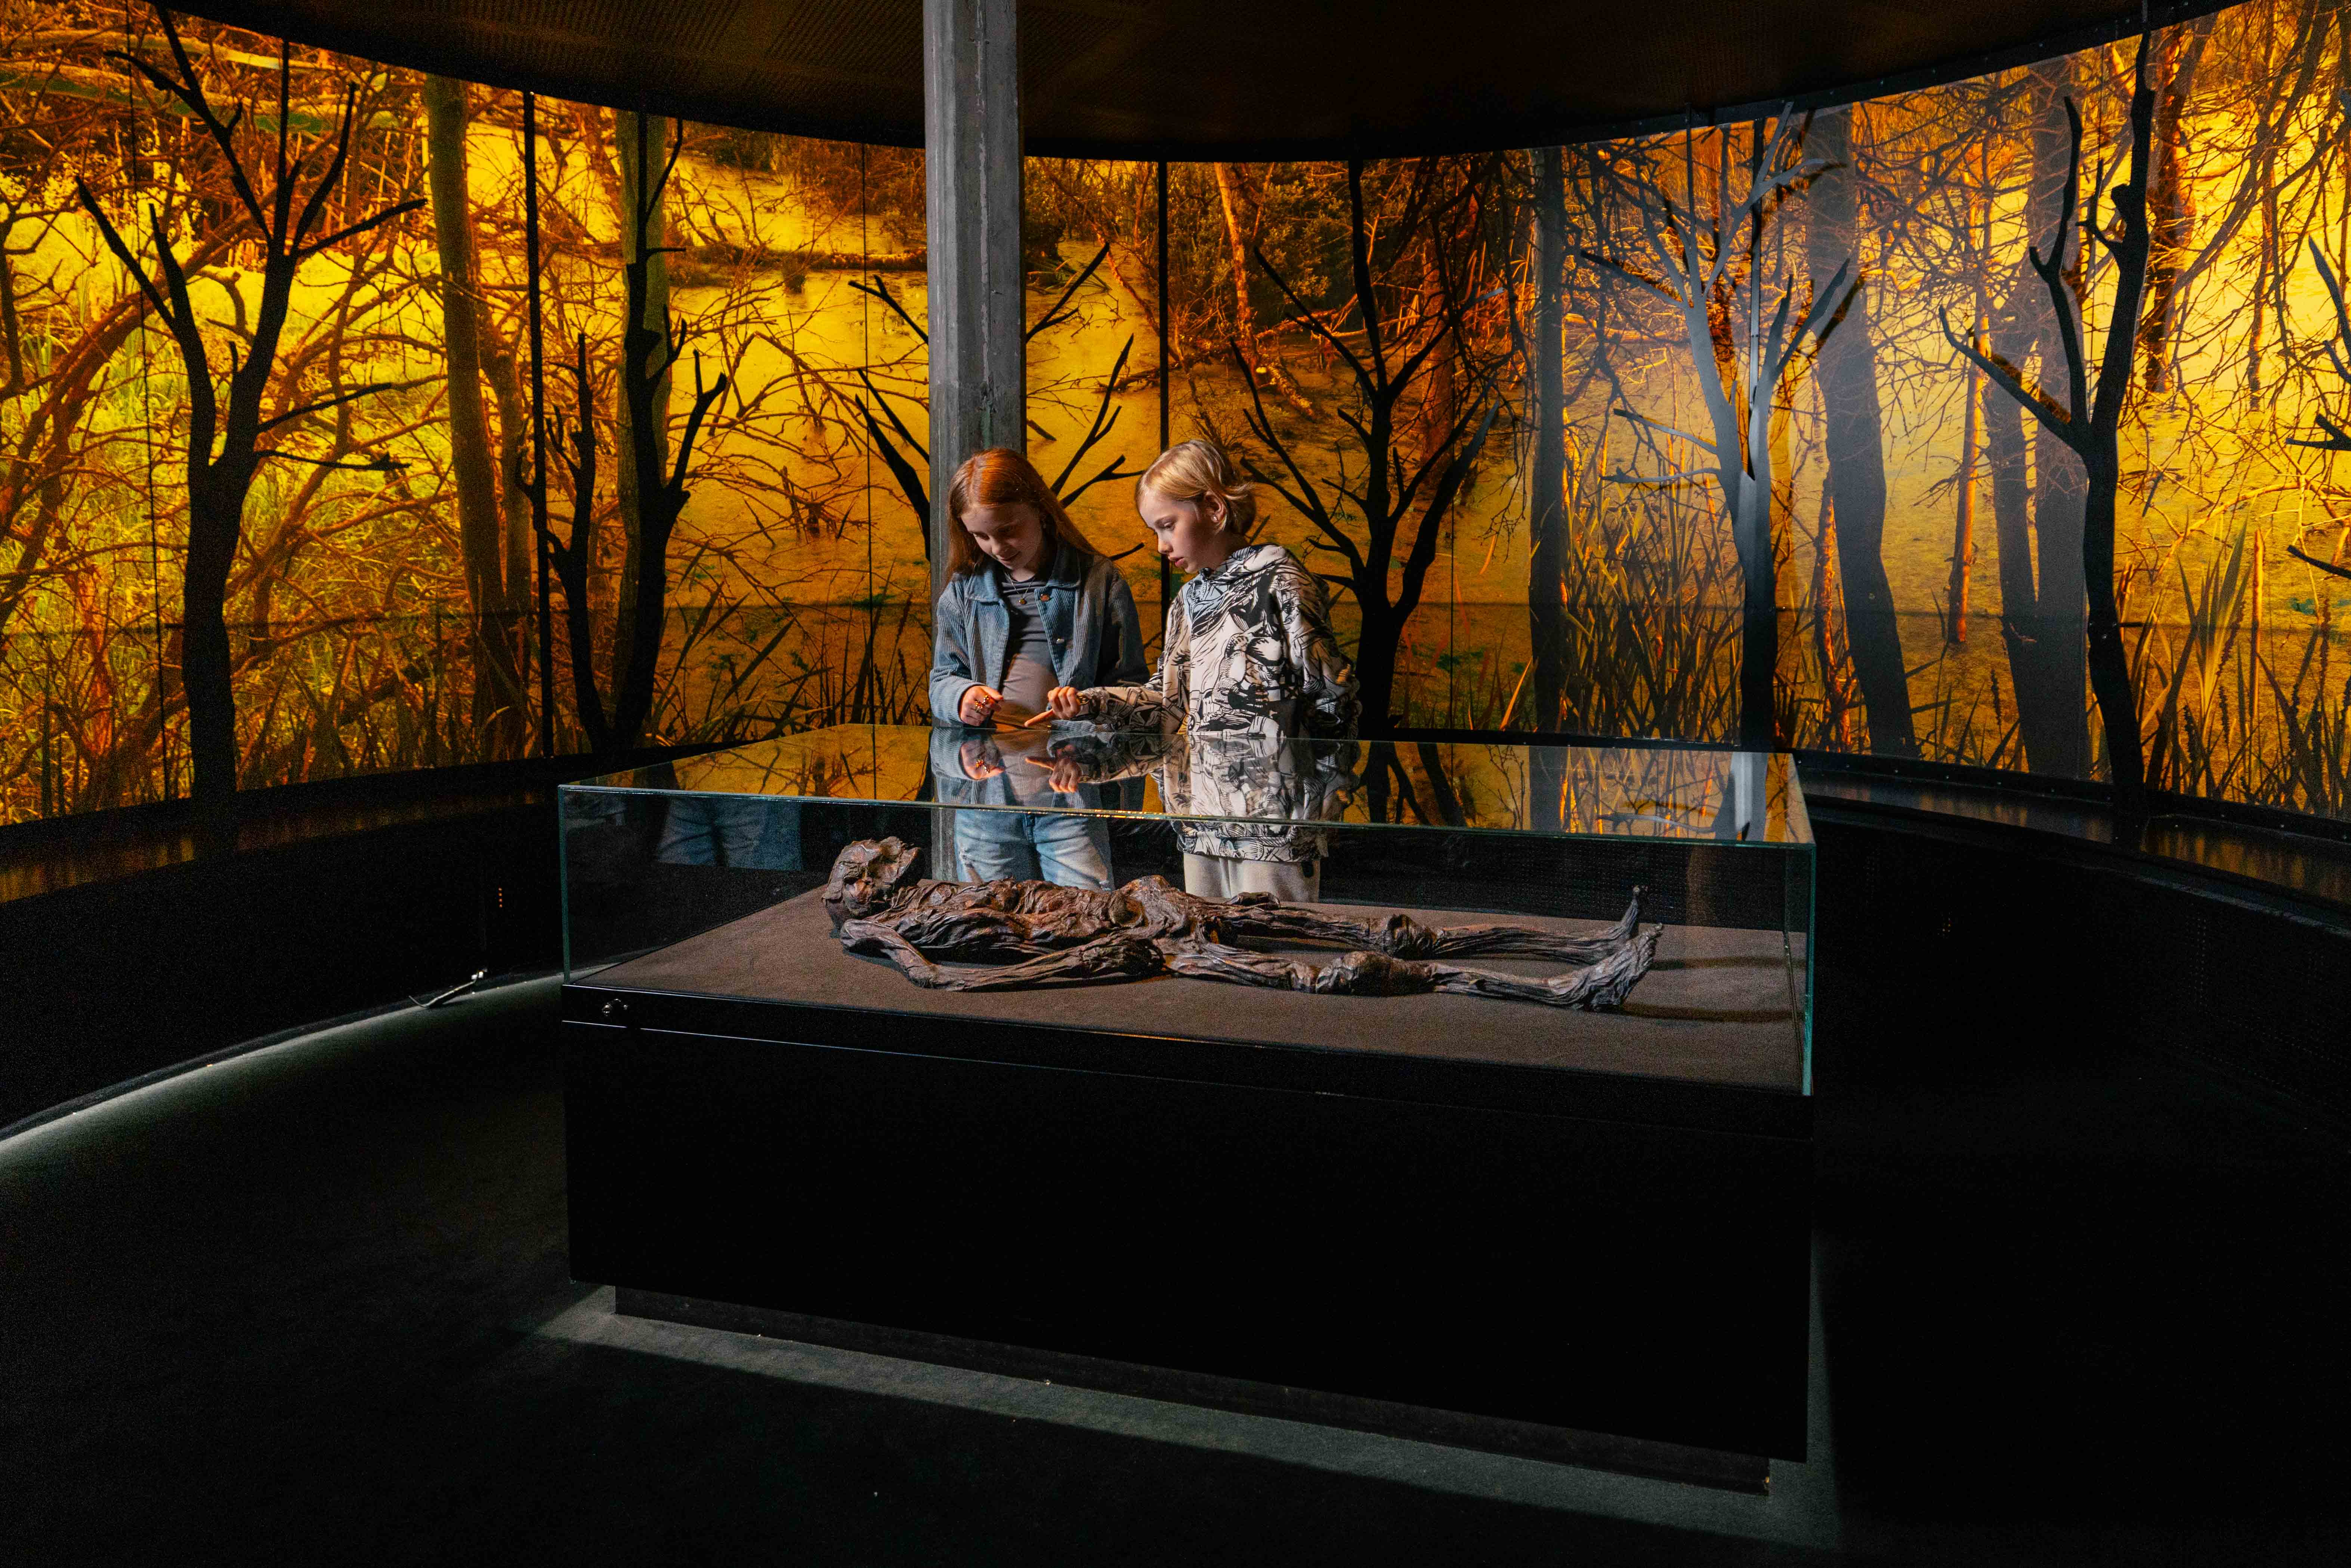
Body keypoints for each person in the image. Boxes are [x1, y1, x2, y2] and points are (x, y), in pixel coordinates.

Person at [1030, 439, 1356, 901]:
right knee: (1204, 936)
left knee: (1276, 934)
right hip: (1200, 816)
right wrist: (1089, 704)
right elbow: (1167, 705)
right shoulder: (1188, 601)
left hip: (1275, 822)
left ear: (1214, 508)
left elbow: (1331, 696)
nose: (1161, 546)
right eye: (1154, 531)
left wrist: (1319, 802)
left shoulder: (1281, 580)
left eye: (1168, 526)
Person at [926, 447, 1148, 888]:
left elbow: (1133, 688)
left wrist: (1088, 704)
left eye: (1008, 530)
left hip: (1072, 798)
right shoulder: (963, 589)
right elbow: (941, 680)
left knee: (1085, 916)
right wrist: (961, 697)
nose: (997, 548)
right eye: (981, 536)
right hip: (983, 801)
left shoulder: (1099, 581)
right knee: (987, 917)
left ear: (1041, 510)